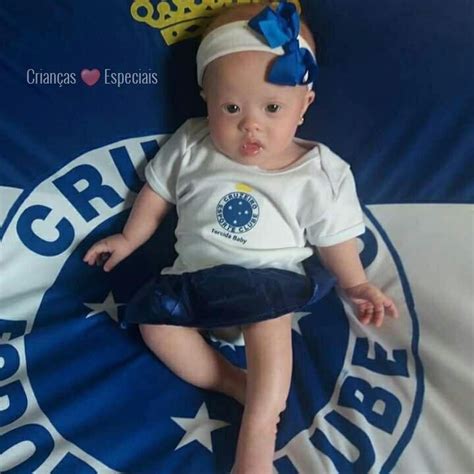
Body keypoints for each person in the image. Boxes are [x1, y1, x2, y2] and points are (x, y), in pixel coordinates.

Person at [84, 2, 399, 473]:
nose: (251, 125)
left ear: (303, 105)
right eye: (231, 108)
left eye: (272, 108)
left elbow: (334, 237)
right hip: (192, 281)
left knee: (269, 325)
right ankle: (235, 384)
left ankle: (257, 438)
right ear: (205, 99)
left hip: (267, 281)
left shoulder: (319, 172)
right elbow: (156, 193)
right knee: (155, 325)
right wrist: (129, 239)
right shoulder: (192, 144)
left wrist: (355, 284)